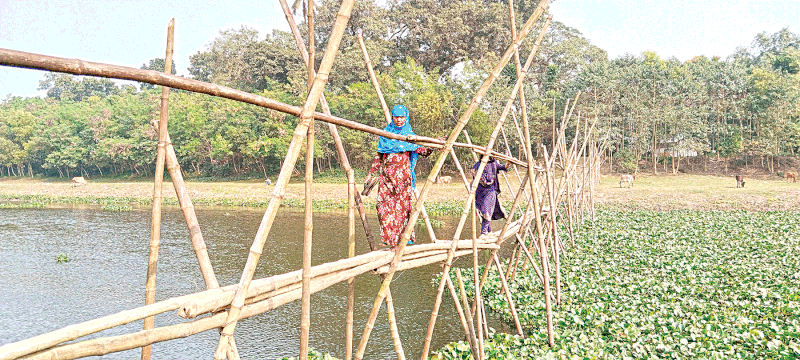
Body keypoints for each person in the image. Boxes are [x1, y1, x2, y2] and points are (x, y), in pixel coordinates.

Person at [364, 105, 433, 249]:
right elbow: (379, 157)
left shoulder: (409, 135)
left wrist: (433, 143)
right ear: (392, 117)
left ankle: (400, 241)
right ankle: (389, 239)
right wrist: (370, 174)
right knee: (382, 206)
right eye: (396, 117)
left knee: (401, 209)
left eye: (402, 117)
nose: (399, 120)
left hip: (403, 179)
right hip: (387, 177)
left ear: (406, 117)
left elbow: (424, 151)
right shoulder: (386, 134)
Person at [471, 157, 508, 236]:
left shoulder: (493, 164)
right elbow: (474, 176)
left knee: (487, 211)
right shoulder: (478, 165)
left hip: (490, 191)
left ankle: (483, 233)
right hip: (480, 192)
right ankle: (489, 231)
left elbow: (503, 167)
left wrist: (508, 163)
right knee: (483, 211)